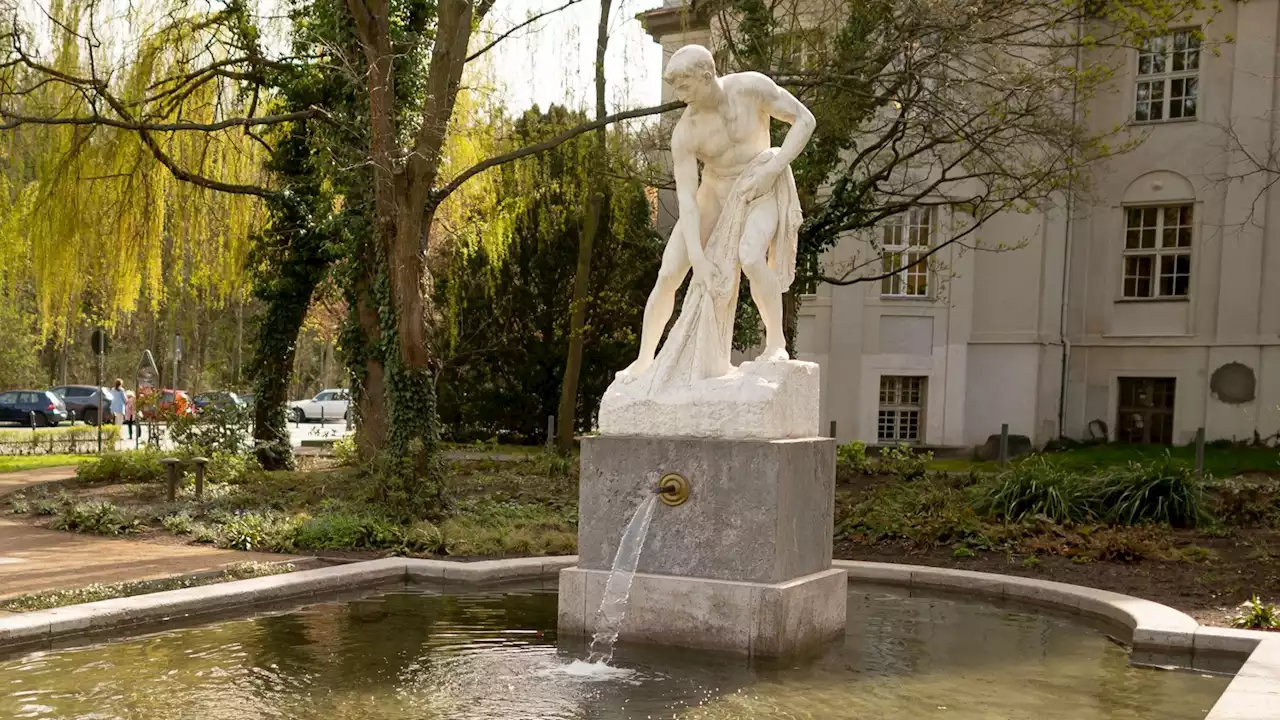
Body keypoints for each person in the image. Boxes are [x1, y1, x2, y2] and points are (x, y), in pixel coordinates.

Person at [617, 44, 814, 383]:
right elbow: (688, 200)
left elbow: (805, 120)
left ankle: (776, 344)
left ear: (706, 77)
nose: (679, 97)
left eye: (685, 87)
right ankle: (644, 360)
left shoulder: (751, 87)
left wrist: (775, 167)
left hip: (758, 186)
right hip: (714, 193)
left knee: (751, 257)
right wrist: (699, 258)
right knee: (668, 273)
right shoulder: (686, 131)